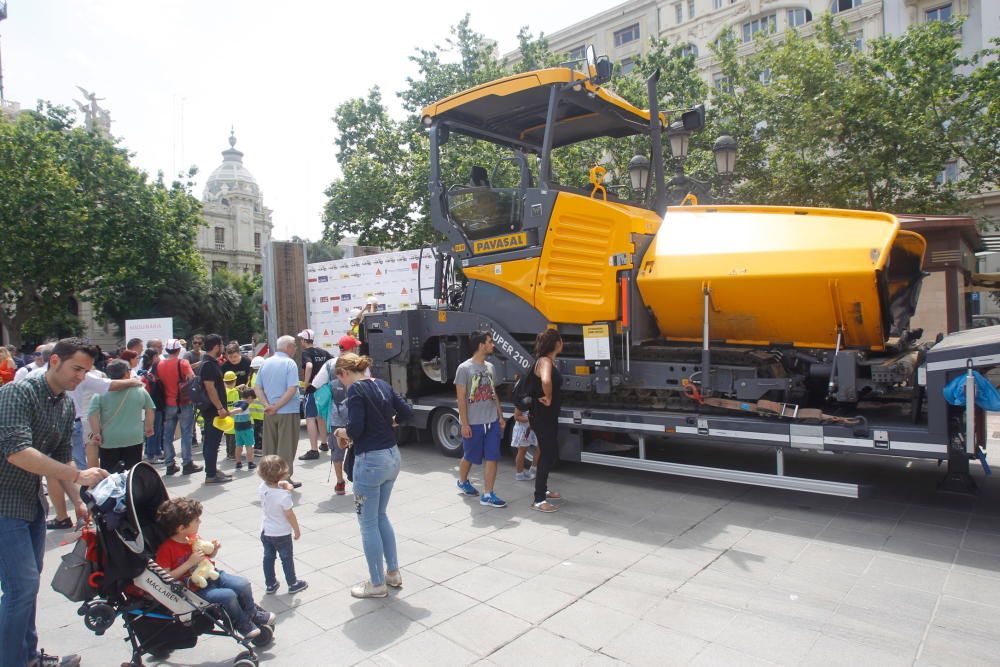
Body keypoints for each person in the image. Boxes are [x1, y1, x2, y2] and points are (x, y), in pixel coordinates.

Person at [0, 337, 111, 667]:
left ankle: (28, 655)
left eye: (87, 371)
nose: (81, 376)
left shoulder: (64, 404)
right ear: (54, 362)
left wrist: (80, 502)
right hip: (4, 505)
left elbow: (63, 459)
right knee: (22, 587)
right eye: (77, 368)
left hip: (31, 503)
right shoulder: (17, 392)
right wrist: (76, 477)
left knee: (27, 589)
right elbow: (18, 452)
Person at [332, 353, 412, 598]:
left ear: (345, 373)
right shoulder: (382, 384)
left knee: (367, 523)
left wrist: (340, 433)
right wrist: (391, 423)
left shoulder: (355, 390)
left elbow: (356, 428)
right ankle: (393, 572)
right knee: (380, 516)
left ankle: (377, 584)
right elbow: (407, 413)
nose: (342, 384)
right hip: (392, 457)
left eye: (340, 379)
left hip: (370, 463)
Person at [154, 497, 275, 639]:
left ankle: (252, 613)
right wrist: (189, 563)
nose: (200, 522)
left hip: (213, 574)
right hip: (195, 588)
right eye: (196, 520)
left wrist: (213, 550)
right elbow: (165, 577)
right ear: (181, 528)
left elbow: (206, 556)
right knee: (228, 595)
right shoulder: (166, 549)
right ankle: (241, 623)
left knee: (243, 584)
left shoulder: (193, 537)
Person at [454, 331, 507, 508]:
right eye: (490, 342)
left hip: (491, 420)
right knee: (469, 456)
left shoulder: (490, 367)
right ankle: (462, 481)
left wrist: (500, 415)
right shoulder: (464, 368)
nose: (493, 345)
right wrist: (465, 423)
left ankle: (488, 494)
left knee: (493, 456)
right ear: (481, 345)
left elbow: (493, 393)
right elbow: (461, 398)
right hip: (473, 422)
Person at [87, 360, 154, 473]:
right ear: (126, 374)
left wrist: (96, 432)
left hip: (109, 439)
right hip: (134, 437)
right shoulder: (139, 390)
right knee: (132, 473)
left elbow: (92, 414)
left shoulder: (101, 392)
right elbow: (150, 410)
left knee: (110, 474)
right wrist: (149, 427)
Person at [255, 335, 302, 488]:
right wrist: (277, 406)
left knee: (270, 447)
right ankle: (284, 480)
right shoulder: (290, 363)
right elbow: (292, 389)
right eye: (294, 345)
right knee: (286, 448)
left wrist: (267, 405)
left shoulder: (265, 362)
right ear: (288, 347)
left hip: (269, 412)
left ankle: (269, 478)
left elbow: (258, 387)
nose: (295, 348)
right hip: (287, 411)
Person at [257, 455, 308, 595]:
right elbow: (289, 515)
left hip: (266, 530)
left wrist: (283, 485)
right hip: (281, 533)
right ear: (282, 474)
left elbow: (274, 485)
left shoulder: (262, 487)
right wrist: (296, 530)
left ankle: (270, 584)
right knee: (286, 558)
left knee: (268, 557)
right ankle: (293, 583)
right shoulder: (283, 496)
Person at [529, 329, 564, 513]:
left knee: (548, 452)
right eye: (561, 340)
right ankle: (539, 499)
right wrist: (548, 396)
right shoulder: (545, 361)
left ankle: (543, 490)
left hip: (546, 416)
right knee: (547, 455)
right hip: (543, 416)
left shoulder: (547, 360)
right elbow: (546, 380)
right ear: (556, 343)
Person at [157, 339, 202, 476]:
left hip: (168, 403)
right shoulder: (182, 363)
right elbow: (192, 378)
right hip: (184, 403)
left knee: (168, 436)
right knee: (186, 434)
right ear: (178, 350)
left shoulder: (160, 364)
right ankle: (187, 463)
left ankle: (170, 465)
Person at [199, 334, 232, 484]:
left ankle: (212, 470)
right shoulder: (208, 364)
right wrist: (219, 407)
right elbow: (210, 388)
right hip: (213, 410)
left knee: (212, 442)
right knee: (212, 442)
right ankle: (211, 474)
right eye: (222, 345)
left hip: (213, 409)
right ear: (217, 346)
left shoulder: (209, 362)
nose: (223, 348)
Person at [297, 329, 331, 461]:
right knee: (320, 416)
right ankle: (324, 443)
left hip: (312, 389)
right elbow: (332, 363)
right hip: (324, 389)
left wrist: (306, 383)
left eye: (301, 339)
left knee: (310, 418)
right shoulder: (323, 352)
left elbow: (309, 366)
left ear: (305, 341)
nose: (301, 342)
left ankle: (313, 450)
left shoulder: (306, 352)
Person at [138, 349, 165, 463]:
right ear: (154, 357)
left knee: (156, 429)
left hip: (152, 404)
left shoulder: (147, 370)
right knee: (153, 430)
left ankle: (156, 452)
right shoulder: (153, 371)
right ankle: (151, 455)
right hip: (155, 404)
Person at [231, 387, 256, 471]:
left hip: (237, 428)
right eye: (252, 399)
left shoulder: (236, 402)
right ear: (249, 398)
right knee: (249, 446)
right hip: (246, 428)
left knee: (238, 446)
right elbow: (240, 409)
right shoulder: (245, 404)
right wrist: (230, 413)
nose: (252, 401)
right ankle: (250, 463)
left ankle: (238, 463)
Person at [510, 407, 537, 481]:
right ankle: (519, 474)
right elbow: (517, 417)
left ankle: (533, 470)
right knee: (522, 450)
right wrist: (531, 418)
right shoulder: (521, 399)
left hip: (535, 427)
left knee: (539, 447)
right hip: (523, 429)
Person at [248, 356, 265, 451]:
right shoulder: (260, 377)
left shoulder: (251, 376)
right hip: (260, 411)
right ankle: (259, 449)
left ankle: (257, 448)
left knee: (256, 431)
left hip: (253, 411)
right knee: (260, 431)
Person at [222, 371, 240, 460]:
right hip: (234, 417)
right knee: (233, 437)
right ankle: (233, 454)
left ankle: (229, 453)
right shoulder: (235, 392)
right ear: (235, 381)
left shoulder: (223, 391)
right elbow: (237, 405)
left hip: (225, 418)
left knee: (227, 436)